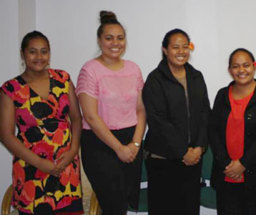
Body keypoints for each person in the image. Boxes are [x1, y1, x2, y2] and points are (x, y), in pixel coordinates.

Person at [0, 31, 83, 214]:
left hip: (65, 168)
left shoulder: (63, 79)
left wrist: (73, 150)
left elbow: (77, 118)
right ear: (23, 54)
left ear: (49, 54)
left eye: (44, 51)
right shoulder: (10, 89)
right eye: (33, 51)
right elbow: (5, 135)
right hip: (30, 171)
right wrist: (39, 162)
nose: (39, 57)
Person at [76, 11, 146, 214]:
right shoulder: (90, 70)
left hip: (131, 140)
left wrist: (135, 143)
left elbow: (141, 109)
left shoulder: (133, 69)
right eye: (109, 38)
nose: (115, 43)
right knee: (113, 204)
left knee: (123, 204)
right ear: (99, 40)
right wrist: (119, 148)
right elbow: (90, 116)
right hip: (100, 145)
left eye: (120, 38)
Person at [142, 28, 210, 215]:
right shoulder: (155, 79)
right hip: (163, 160)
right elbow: (157, 121)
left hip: (193, 159)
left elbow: (205, 113)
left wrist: (199, 147)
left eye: (185, 47)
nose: (181, 51)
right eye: (175, 47)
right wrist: (183, 151)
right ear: (165, 50)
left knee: (189, 209)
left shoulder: (196, 76)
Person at [209, 48, 256, 215]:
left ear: (254, 66)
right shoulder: (222, 95)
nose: (241, 70)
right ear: (229, 70)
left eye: (246, 65)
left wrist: (242, 164)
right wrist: (227, 165)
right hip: (225, 175)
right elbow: (213, 131)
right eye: (236, 66)